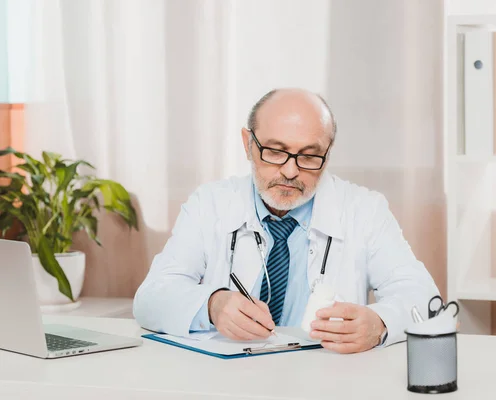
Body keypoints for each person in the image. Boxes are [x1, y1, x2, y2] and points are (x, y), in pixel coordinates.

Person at [133, 88, 439, 354]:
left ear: (327, 154)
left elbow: (425, 300)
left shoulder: (364, 209)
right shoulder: (210, 203)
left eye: (308, 156)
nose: (291, 171)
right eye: (276, 151)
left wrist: (380, 322)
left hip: (326, 381)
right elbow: (150, 299)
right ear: (248, 144)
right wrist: (212, 305)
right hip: (230, 382)